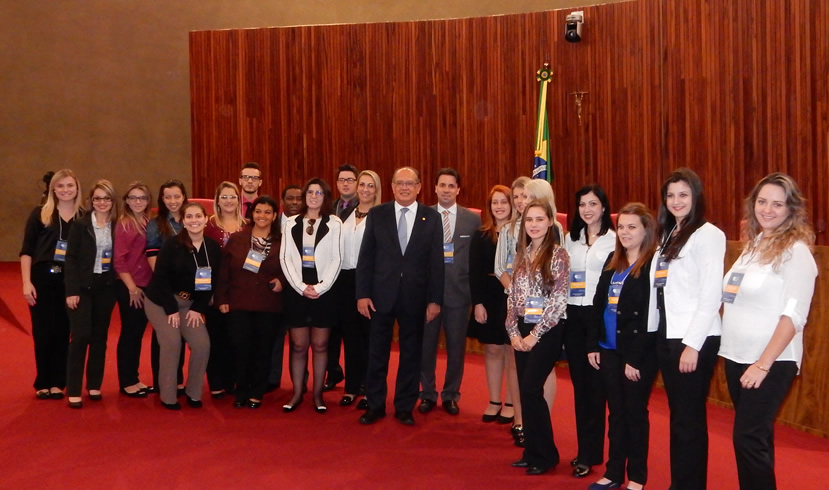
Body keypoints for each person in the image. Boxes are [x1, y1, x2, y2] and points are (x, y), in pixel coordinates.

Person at [719, 173, 817, 490]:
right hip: (736, 357)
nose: (768, 209)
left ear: (791, 209)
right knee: (756, 439)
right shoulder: (754, 245)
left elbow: (793, 316)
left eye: (777, 204)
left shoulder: (797, 252)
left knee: (747, 439)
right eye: (762, 202)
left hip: (770, 363)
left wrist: (763, 364)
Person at [654, 168, 726, 489]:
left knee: (689, 420)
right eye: (670, 195)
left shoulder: (708, 234)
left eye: (683, 194)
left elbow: (711, 293)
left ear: (696, 197)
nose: (676, 201)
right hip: (669, 335)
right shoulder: (670, 234)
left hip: (694, 340)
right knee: (680, 417)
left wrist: (692, 345)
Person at [357, 167, 444, 426]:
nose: (405, 188)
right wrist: (362, 294)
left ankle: (404, 406)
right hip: (380, 296)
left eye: (410, 183)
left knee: (411, 354)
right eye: (399, 183)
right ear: (392, 187)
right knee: (377, 353)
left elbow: (436, 263)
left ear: (419, 187)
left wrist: (434, 299)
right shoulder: (377, 214)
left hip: (416, 298)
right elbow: (366, 257)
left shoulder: (432, 217)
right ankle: (374, 405)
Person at [587, 202, 659, 490]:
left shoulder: (652, 265)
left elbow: (651, 315)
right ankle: (614, 472)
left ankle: (637, 477)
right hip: (608, 349)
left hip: (636, 354)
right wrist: (593, 344)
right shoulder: (612, 260)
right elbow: (597, 303)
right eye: (621, 227)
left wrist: (636, 358)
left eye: (632, 227)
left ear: (646, 230)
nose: (625, 232)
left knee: (635, 414)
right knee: (615, 412)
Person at [505, 199, 569, 476]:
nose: (533, 225)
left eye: (539, 219)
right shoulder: (522, 253)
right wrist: (513, 332)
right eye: (529, 220)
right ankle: (531, 451)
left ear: (550, 222)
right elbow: (513, 298)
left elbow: (558, 300)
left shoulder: (558, 255)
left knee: (532, 388)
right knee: (525, 390)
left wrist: (533, 335)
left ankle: (546, 455)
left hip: (547, 330)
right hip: (521, 328)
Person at [144, 202, 221, 410]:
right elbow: (160, 278)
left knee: (202, 345)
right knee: (172, 343)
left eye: (198, 216)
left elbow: (212, 283)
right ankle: (168, 396)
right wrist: (171, 310)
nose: (194, 220)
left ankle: (193, 393)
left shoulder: (212, 247)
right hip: (161, 301)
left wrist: (198, 308)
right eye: (189, 217)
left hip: (190, 305)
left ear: (206, 219)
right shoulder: (172, 244)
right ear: (183, 221)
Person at [562, 184, 615, 478]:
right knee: (580, 388)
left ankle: (592, 453)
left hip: (599, 317)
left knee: (596, 390)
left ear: (604, 207)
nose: (588, 210)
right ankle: (585, 449)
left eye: (593, 204)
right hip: (573, 317)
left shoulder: (614, 241)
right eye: (582, 204)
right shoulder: (572, 240)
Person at [419, 168, 481, 416]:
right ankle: (427, 394)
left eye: (451, 185)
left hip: (459, 294)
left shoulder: (472, 219)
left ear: (458, 189)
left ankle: (451, 395)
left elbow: (474, 259)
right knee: (426, 346)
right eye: (441, 185)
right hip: (427, 295)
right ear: (434, 188)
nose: (446, 189)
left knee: (456, 348)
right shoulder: (423, 216)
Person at [280, 178, 343, 413]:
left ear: (325, 197)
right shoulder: (291, 222)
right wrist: (300, 286)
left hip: (324, 291)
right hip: (297, 289)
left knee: (320, 344)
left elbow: (337, 258)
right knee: (298, 345)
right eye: (310, 192)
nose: (314, 196)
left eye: (319, 193)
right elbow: (285, 258)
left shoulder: (334, 223)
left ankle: (317, 395)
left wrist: (320, 287)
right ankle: (297, 392)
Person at [20, 169, 83, 400]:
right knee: (43, 330)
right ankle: (43, 381)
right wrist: (26, 283)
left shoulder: (84, 217)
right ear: (52, 189)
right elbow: (26, 252)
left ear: (77, 188)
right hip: (43, 278)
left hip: (71, 280)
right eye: (61, 186)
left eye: (70, 185)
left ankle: (59, 382)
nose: (66, 190)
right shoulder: (40, 214)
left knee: (64, 330)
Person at [216, 195, 285, 409]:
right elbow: (224, 271)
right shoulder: (238, 239)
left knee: (263, 349)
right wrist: (222, 298)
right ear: (251, 214)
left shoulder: (283, 241)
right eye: (258, 211)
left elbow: (292, 269)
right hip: (239, 302)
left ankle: (257, 391)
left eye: (267, 212)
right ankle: (242, 389)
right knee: (241, 347)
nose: (262, 216)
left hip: (269, 303)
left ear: (274, 216)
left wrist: (282, 281)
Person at [64, 180, 119, 408]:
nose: (102, 203)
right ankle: (74, 388)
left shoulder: (118, 225)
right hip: (82, 288)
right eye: (97, 198)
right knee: (81, 336)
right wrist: (72, 290)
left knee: (99, 337)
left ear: (113, 201)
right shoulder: (80, 225)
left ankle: (94, 384)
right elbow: (71, 259)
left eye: (106, 198)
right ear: (91, 201)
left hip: (106, 287)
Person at [467, 185, 514, 422]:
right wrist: (478, 303)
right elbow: (474, 272)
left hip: (513, 296)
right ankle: (494, 400)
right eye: (495, 202)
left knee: (511, 350)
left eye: (503, 202)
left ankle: (511, 402)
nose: (499, 207)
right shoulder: (481, 234)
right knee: (493, 349)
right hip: (489, 296)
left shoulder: (521, 232)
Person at [338, 170, 382, 408]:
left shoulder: (382, 216)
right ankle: (351, 386)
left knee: (370, 338)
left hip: (370, 283)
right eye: (362, 184)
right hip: (345, 281)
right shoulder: (345, 213)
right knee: (351, 336)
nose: (365, 189)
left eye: (370, 186)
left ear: (377, 190)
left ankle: (369, 388)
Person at [494, 176, 530, 444]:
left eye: (524, 195)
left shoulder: (550, 228)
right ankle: (519, 421)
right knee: (516, 365)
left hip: (541, 311)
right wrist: (517, 295)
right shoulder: (507, 230)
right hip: (515, 306)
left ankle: (537, 420)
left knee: (538, 368)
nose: (519, 201)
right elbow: (500, 268)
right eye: (515, 196)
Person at [204, 181, 246, 398]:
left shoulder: (247, 225)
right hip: (213, 290)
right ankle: (216, 382)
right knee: (215, 337)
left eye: (232, 197)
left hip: (239, 292)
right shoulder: (207, 225)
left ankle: (235, 380)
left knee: (236, 337)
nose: (229, 201)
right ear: (217, 200)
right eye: (224, 197)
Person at [145, 179, 188, 394]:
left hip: (187, 290)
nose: (173, 201)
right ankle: (162, 381)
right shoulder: (156, 224)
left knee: (180, 335)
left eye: (177, 196)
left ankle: (178, 380)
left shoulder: (192, 219)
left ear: (184, 197)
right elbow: (153, 258)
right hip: (164, 288)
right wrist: (167, 285)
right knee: (163, 336)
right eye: (168, 197)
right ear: (162, 199)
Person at [113, 181, 153, 397]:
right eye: (133, 198)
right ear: (126, 201)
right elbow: (118, 261)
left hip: (145, 284)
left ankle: (134, 377)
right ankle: (127, 380)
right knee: (130, 333)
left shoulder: (147, 222)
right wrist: (132, 288)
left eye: (142, 198)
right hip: (130, 286)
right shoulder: (125, 224)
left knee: (137, 333)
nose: (138, 201)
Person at [325, 163, 359, 391]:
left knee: (352, 330)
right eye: (342, 180)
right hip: (330, 276)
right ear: (336, 184)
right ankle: (333, 371)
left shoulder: (364, 208)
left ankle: (356, 379)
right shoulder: (329, 207)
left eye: (350, 180)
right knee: (330, 328)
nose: (345, 183)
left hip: (352, 276)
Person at [268, 183, 305, 390]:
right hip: (275, 290)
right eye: (290, 198)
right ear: (282, 202)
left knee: (301, 341)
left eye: (299, 198)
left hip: (300, 290)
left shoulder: (309, 225)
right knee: (274, 336)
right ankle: (272, 379)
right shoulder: (272, 225)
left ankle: (300, 382)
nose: (294, 202)